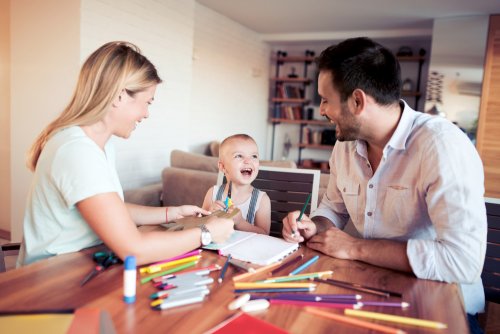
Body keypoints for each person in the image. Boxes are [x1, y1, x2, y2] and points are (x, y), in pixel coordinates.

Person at [281, 37, 487, 333]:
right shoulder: (346, 146)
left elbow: (462, 261)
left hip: (438, 304)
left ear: (358, 101)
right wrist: (314, 225)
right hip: (364, 287)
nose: (321, 110)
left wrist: (355, 248)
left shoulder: (441, 146)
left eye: (326, 99)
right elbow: (333, 208)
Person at [18, 41, 234, 267]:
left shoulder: (98, 144)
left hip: (85, 264)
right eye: (147, 102)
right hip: (51, 279)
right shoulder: (76, 151)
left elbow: (111, 210)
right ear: (120, 96)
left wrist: (174, 212)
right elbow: (134, 250)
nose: (146, 114)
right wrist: (206, 233)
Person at [202, 134, 271, 235]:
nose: (248, 161)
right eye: (239, 156)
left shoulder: (262, 200)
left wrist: (241, 223)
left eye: (254, 156)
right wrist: (209, 217)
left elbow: (265, 234)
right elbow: (200, 227)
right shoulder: (212, 193)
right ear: (222, 167)